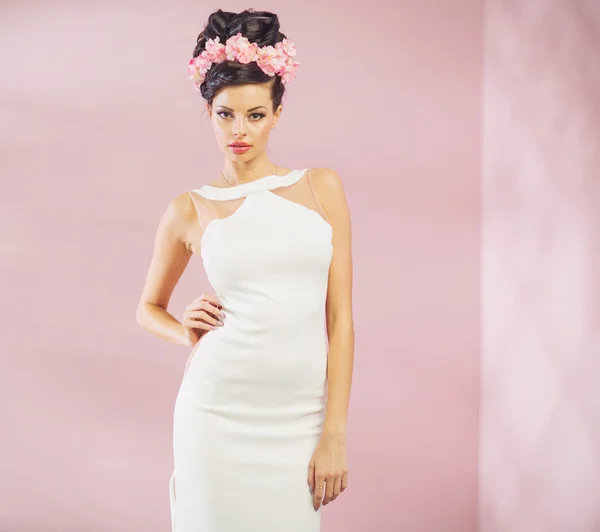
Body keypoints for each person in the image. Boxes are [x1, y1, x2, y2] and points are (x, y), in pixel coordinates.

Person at [136, 8, 355, 531]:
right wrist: (181, 331)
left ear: (277, 113)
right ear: (208, 113)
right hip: (216, 414)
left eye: (255, 115)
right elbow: (147, 308)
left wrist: (334, 434)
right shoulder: (189, 208)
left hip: (300, 418)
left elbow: (340, 318)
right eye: (225, 114)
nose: (240, 130)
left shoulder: (322, 187)